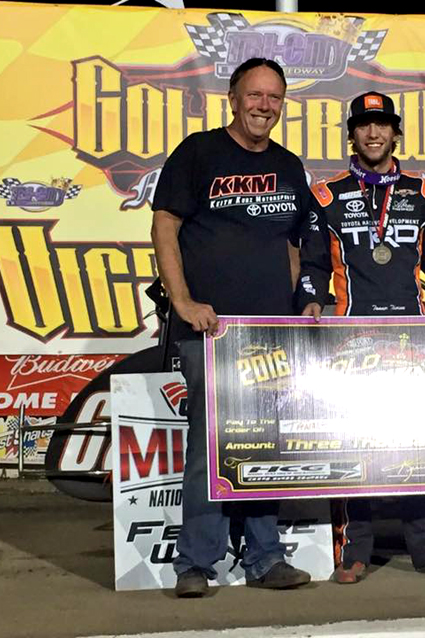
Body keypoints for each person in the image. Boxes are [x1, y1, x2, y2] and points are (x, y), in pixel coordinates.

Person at [150, 58, 330, 597]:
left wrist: (301, 303)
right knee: (210, 444)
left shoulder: (288, 165)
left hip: (270, 331)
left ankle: (265, 558)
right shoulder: (198, 152)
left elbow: (295, 244)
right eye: (255, 94)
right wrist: (182, 300)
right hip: (212, 329)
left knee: (264, 443)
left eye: (274, 97)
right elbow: (164, 225)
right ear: (233, 98)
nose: (264, 106)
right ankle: (195, 564)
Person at [311, 91, 425, 584]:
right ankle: (354, 551)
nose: (374, 133)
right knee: (354, 444)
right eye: (364, 125)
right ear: (353, 134)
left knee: (417, 441)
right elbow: (313, 266)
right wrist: (309, 300)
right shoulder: (325, 195)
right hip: (350, 338)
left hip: (413, 338)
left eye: (382, 124)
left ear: (395, 133)